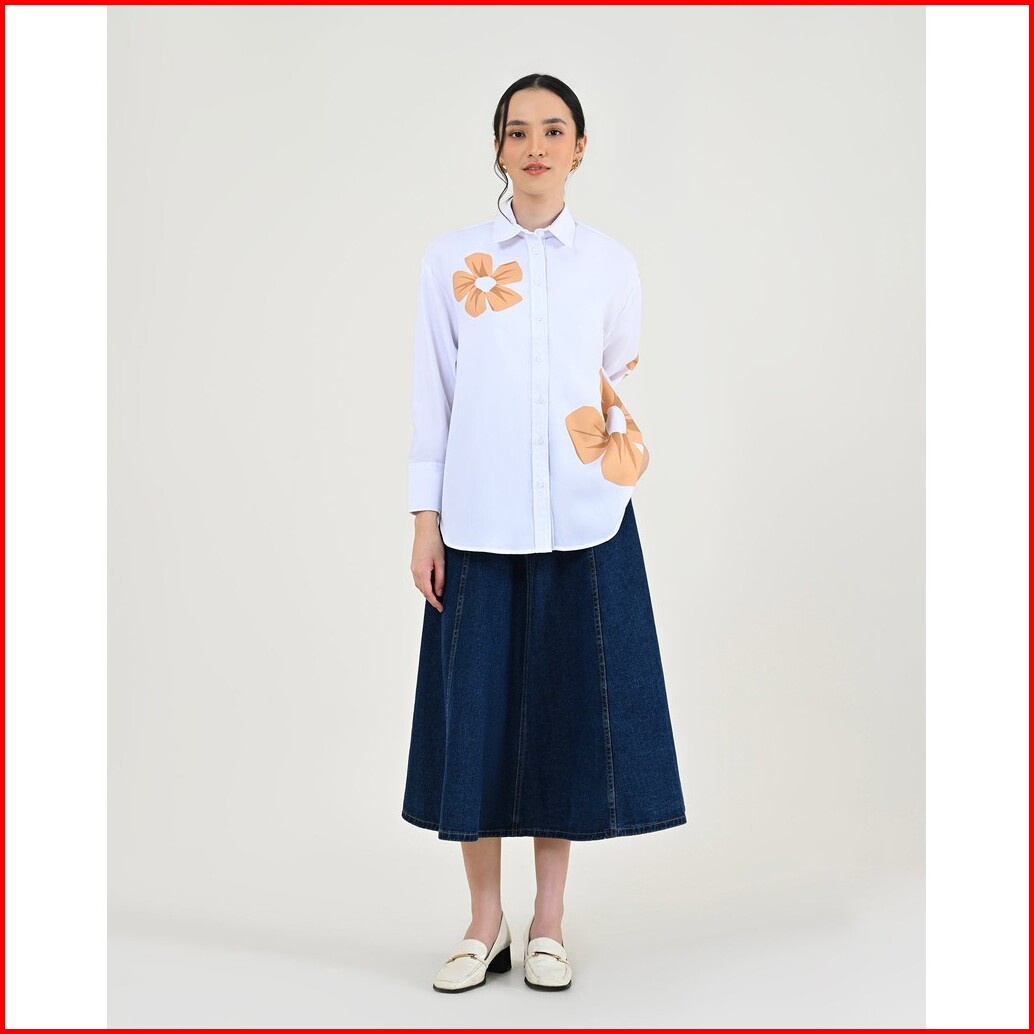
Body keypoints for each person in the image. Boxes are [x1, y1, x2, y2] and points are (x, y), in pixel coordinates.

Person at [402, 73, 687, 993]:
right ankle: (484, 923)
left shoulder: (611, 264)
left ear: (579, 147)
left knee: (565, 717)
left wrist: (602, 477)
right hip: (476, 523)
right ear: (498, 147)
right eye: (518, 131)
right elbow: (434, 396)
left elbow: (613, 380)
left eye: (553, 130)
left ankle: (550, 921)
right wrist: (425, 520)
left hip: (581, 525)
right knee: (477, 721)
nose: (535, 145)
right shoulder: (451, 261)